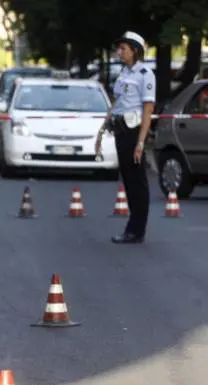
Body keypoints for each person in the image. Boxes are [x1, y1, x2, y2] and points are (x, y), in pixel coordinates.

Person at [96, 31, 155, 244]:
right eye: (119, 48)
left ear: (135, 51)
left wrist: (141, 142)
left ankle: (137, 230)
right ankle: (133, 227)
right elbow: (117, 103)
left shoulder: (145, 74)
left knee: (137, 182)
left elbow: (148, 110)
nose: (119, 52)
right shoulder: (124, 73)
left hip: (134, 130)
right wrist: (102, 129)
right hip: (120, 130)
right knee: (128, 180)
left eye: (123, 48)